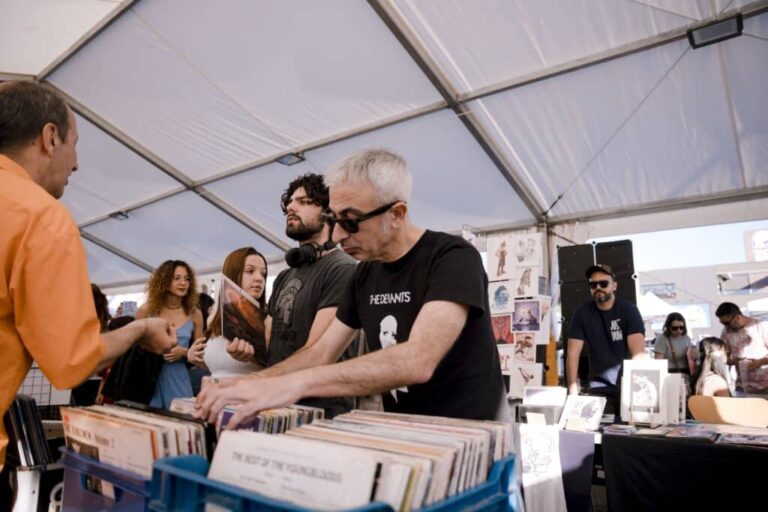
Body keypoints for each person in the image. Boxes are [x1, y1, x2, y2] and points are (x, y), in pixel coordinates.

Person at [196, 148, 507, 427]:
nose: (339, 235)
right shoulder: (365, 275)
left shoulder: (452, 258)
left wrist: (297, 384)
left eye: (352, 221)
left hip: (475, 435)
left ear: (396, 214)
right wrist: (254, 383)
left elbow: (417, 360)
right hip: (409, 432)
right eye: (334, 219)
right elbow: (320, 353)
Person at [0, 81, 175, 470]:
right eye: (74, 143)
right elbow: (71, 363)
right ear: (49, 137)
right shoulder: (40, 216)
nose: (76, 163)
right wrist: (138, 330)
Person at [566, 264, 645, 412]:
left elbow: (638, 353)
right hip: (598, 387)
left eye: (603, 283)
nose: (598, 288)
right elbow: (573, 353)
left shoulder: (629, 310)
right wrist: (573, 391)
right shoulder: (582, 312)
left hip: (628, 386)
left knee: (629, 433)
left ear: (614, 285)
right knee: (600, 432)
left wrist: (635, 389)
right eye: (593, 284)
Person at [187, 247, 267, 378]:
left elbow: (279, 368)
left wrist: (254, 359)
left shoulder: (269, 320)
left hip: (249, 395)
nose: (259, 278)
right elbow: (221, 368)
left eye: (263, 274)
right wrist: (195, 358)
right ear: (232, 273)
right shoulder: (213, 318)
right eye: (250, 271)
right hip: (214, 395)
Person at [137, 260, 203, 408]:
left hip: (179, 380)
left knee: (181, 424)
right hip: (149, 382)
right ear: (164, 281)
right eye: (177, 278)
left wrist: (185, 352)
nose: (183, 283)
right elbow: (134, 351)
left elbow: (202, 358)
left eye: (187, 279)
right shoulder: (146, 311)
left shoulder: (195, 314)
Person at [715, 302, 768, 395]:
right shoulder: (726, 333)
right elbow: (724, 358)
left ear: (738, 317)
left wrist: (759, 362)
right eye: (722, 323)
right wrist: (733, 361)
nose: (725, 326)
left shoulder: (760, 326)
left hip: (765, 385)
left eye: (727, 323)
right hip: (742, 386)